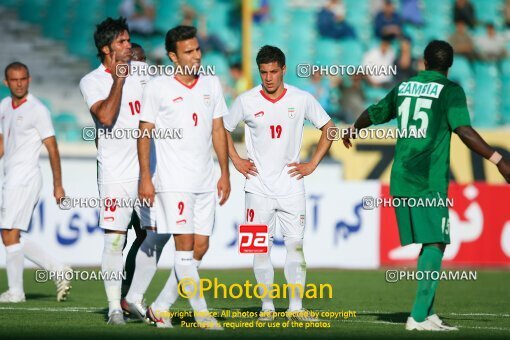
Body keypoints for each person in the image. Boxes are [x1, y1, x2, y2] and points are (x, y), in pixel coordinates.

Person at [342, 40, 510, 331]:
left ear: (423, 62)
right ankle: (418, 317)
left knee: (433, 241)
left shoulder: (404, 87)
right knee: (435, 242)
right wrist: (498, 159)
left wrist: (354, 127)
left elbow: (375, 111)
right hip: (427, 181)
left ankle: (428, 313)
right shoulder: (450, 90)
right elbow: (464, 131)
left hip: (401, 178)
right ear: (450, 65)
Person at [224, 45, 334, 322]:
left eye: (274, 71)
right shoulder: (246, 100)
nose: (269, 77)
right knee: (260, 250)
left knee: (295, 247)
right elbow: (221, 128)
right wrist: (235, 159)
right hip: (257, 188)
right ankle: (267, 308)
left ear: (283, 69)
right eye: (264, 72)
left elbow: (329, 128)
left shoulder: (301, 98)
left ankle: (296, 308)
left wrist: (312, 164)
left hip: (291, 187)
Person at [138, 25, 230, 330]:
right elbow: (144, 133)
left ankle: (160, 307)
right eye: (188, 52)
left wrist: (225, 172)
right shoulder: (157, 87)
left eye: (198, 49)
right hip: (173, 181)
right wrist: (145, 178)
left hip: (205, 179)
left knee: (200, 248)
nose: (196, 56)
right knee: (185, 248)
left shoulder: (212, 84)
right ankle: (202, 314)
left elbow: (218, 129)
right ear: (173, 56)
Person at [79, 17, 156, 325]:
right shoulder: (92, 81)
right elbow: (107, 117)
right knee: (115, 240)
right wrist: (119, 80)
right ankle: (114, 308)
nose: (128, 46)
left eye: (128, 41)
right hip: (115, 173)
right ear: (106, 48)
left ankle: (131, 296)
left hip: (148, 171)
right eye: (122, 42)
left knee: (154, 235)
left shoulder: (145, 72)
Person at [0, 62, 71, 303]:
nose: (19, 83)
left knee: (9, 232)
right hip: (11, 177)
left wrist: (58, 185)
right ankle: (58, 268)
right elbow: (3, 144)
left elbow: (52, 148)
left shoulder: (38, 109)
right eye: (14, 79)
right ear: (6, 82)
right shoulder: (3, 107)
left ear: (29, 79)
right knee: (11, 235)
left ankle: (16, 292)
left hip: (26, 176)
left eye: (23, 79)